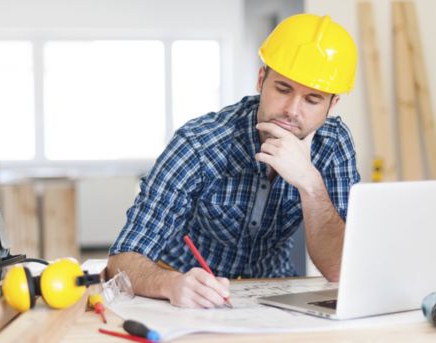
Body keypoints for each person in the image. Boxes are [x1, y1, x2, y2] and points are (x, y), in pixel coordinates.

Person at [107, 13, 360, 309]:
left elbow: (340, 270)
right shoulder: (199, 143)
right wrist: (171, 284)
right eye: (283, 89)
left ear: (332, 105)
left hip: (272, 293)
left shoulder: (333, 144)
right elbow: (122, 259)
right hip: (183, 288)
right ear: (261, 79)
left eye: (312, 99)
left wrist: (310, 184)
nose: (292, 110)